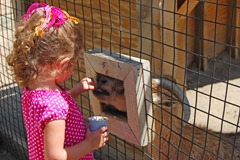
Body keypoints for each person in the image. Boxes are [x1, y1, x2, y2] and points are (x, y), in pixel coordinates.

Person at [7, 2, 109, 160]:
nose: (73, 69)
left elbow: (52, 111)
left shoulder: (32, 89)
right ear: (62, 64)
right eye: (73, 64)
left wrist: (75, 91)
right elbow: (55, 157)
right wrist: (91, 143)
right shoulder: (55, 106)